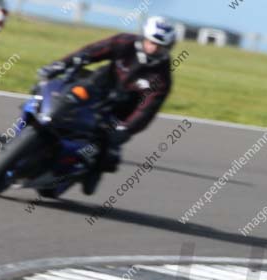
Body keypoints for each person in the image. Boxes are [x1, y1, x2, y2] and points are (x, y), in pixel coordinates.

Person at [36, 16, 176, 195]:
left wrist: (127, 128)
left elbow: (147, 110)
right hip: (96, 87)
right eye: (151, 42)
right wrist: (60, 65)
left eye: (160, 46)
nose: (154, 48)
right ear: (143, 36)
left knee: (107, 152)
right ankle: (36, 125)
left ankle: (88, 172)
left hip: (120, 113)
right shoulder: (124, 42)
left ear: (168, 48)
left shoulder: (162, 77)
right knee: (63, 95)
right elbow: (91, 52)